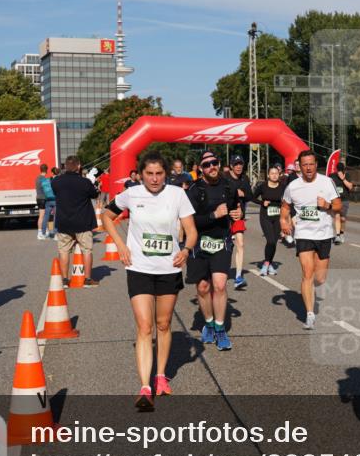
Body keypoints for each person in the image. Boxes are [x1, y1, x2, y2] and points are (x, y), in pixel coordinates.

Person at [102, 152, 198, 411]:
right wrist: (120, 244)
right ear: (141, 174)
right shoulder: (131, 194)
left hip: (169, 268)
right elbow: (106, 216)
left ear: (166, 174)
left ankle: (160, 376)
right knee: (145, 327)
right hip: (139, 268)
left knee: (163, 324)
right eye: (149, 174)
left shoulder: (177, 195)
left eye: (159, 174)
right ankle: (145, 387)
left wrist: (186, 250)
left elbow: (191, 231)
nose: (154, 179)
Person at [186, 151, 241, 350]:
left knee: (219, 285)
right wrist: (213, 215)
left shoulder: (228, 186)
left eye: (214, 162)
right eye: (207, 164)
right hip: (198, 242)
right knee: (203, 287)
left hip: (221, 241)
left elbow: (236, 207)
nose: (212, 167)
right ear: (201, 169)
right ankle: (208, 324)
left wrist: (238, 213)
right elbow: (189, 220)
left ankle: (220, 328)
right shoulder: (194, 190)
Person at [281, 150, 341, 330]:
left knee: (320, 279)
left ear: (316, 165)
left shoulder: (326, 182)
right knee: (307, 273)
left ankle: (311, 289)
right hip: (303, 234)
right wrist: (283, 222)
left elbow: (338, 205)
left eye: (311, 164)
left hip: (324, 235)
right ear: (299, 166)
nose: (308, 168)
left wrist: (327, 205)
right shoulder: (293, 186)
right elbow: (285, 207)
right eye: (304, 165)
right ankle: (309, 314)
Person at [51, 156, 100, 288]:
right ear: (78, 166)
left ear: (65, 166)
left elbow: (56, 193)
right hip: (83, 222)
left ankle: (65, 280)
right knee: (86, 250)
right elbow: (95, 194)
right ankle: (88, 280)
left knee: (64, 251)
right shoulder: (85, 182)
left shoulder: (56, 181)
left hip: (64, 222)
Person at [224, 155, 253, 289]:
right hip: (224, 216)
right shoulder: (224, 178)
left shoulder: (244, 178)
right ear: (231, 166)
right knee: (225, 246)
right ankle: (219, 271)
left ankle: (238, 277)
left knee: (240, 244)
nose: (238, 166)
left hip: (238, 216)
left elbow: (250, 196)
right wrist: (235, 193)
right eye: (236, 164)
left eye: (240, 164)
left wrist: (243, 194)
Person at [252, 164, 285, 276]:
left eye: (276, 173)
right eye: (272, 173)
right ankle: (266, 264)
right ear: (268, 175)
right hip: (265, 216)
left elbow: (288, 201)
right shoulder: (263, 186)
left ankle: (269, 263)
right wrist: (262, 202)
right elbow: (252, 197)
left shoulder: (283, 187)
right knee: (270, 241)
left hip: (278, 217)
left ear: (279, 175)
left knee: (274, 243)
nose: (274, 175)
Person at [330, 162, 354, 244]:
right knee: (337, 216)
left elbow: (350, 187)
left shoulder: (347, 175)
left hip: (345, 200)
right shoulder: (332, 176)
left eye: (341, 169)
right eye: (338, 169)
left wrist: (343, 179)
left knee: (342, 219)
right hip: (336, 199)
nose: (340, 170)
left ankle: (341, 233)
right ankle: (337, 236)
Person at [36, 164, 57, 241]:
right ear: (46, 170)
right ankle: (40, 233)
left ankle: (44, 231)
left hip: (38, 198)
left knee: (43, 216)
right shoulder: (44, 179)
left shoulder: (37, 178)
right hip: (43, 199)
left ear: (40, 169)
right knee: (43, 216)